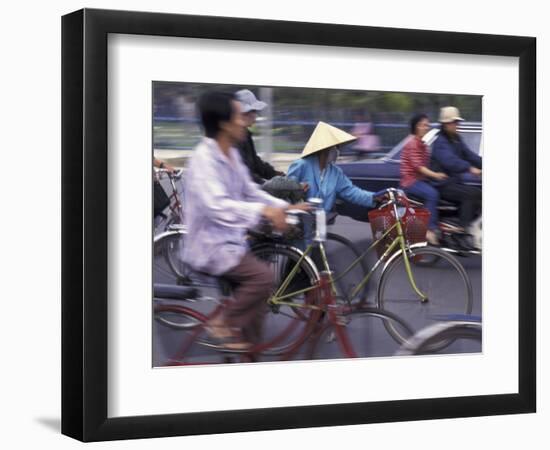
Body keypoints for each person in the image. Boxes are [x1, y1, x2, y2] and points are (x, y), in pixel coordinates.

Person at [182, 91, 310, 350]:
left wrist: (285, 206)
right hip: (211, 247)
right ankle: (221, 324)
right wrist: (264, 212)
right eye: (239, 116)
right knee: (263, 279)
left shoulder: (231, 153)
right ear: (223, 123)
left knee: (256, 312)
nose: (245, 121)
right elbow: (217, 206)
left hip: (230, 242)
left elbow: (250, 191)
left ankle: (249, 357)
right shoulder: (204, 160)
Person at [287, 121, 379, 214]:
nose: (337, 151)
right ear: (324, 148)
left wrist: (376, 198)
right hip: (301, 219)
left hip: (322, 221)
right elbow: (286, 191)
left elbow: (352, 192)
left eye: (338, 148)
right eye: (334, 147)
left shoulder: (335, 172)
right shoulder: (302, 165)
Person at [430, 106, 482, 250]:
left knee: (479, 194)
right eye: (454, 122)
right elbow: (450, 161)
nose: (457, 125)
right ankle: (463, 230)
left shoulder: (456, 139)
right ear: (445, 124)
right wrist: (469, 168)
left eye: (457, 122)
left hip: (453, 182)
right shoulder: (440, 142)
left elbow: (470, 155)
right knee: (472, 194)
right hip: (442, 185)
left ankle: (469, 225)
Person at [400, 113, 448, 245]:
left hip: (421, 180)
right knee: (432, 194)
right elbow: (419, 167)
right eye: (424, 125)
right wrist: (436, 175)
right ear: (416, 127)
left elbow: (428, 164)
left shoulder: (422, 144)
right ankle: (430, 229)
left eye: (427, 124)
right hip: (410, 182)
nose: (427, 127)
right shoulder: (412, 143)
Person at [235, 89, 284, 184]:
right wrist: (265, 185)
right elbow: (244, 173)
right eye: (253, 111)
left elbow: (256, 163)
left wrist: (276, 175)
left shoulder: (246, 134)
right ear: (243, 113)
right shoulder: (233, 139)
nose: (255, 115)